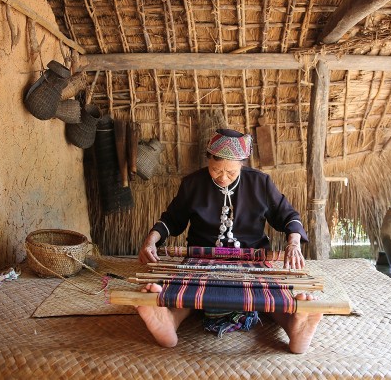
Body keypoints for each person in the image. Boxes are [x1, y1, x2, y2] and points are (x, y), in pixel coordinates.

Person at [137, 129, 322, 354]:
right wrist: (151, 241)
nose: (222, 177)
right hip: (202, 259)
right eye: (216, 170)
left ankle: (295, 326)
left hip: (251, 259)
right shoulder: (192, 184)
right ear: (208, 160)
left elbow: (288, 216)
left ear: (242, 165)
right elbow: (171, 219)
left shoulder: (260, 183)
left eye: (231, 172)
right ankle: (168, 321)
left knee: (267, 293)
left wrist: (293, 243)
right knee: (189, 291)